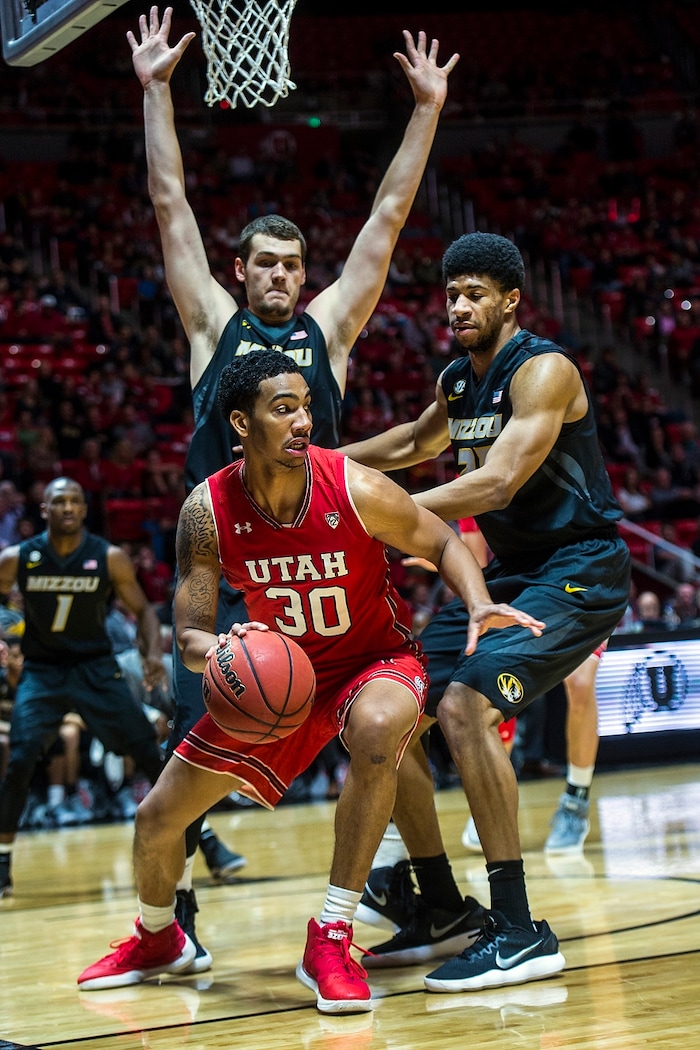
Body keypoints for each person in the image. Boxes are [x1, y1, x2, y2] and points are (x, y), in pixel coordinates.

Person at [127, 5, 459, 969]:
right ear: (240, 272)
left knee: (388, 735)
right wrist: (155, 90)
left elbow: (387, 219)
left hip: (313, 565)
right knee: (190, 740)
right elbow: (170, 206)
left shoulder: (329, 335)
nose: (280, 276)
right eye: (264, 264)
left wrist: (426, 111)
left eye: (292, 264)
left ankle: (426, 898)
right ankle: (172, 924)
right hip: (222, 566)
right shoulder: (210, 327)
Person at [75, 351, 545, 1012]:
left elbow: (440, 538)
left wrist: (475, 600)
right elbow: (188, 633)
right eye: (282, 408)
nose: (303, 421)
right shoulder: (206, 511)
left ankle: (330, 933)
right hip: (282, 678)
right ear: (241, 422)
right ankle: (160, 938)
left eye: (304, 404)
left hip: (375, 661)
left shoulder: (353, 485)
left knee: (380, 727)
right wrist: (221, 652)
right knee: (155, 821)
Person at [342, 232, 631, 991]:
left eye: (475, 293)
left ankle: (518, 929)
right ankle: (441, 908)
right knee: (387, 705)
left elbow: (497, 482)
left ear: (510, 299)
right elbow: (413, 439)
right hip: (510, 573)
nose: (460, 306)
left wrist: (376, 517)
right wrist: (327, 465)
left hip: (580, 569)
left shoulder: (544, 371)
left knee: (465, 707)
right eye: (452, 295)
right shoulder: (457, 381)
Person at [0, 478, 167, 899]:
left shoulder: (108, 558)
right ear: (45, 510)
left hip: (95, 668)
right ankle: (2, 861)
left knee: (148, 749)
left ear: (84, 509)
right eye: (59, 501)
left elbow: (144, 611)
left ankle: (205, 843)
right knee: (19, 759)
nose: (68, 507)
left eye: (75, 501)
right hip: (42, 670)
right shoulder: (17, 558)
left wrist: (149, 654)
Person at [462, 645, 607, 855]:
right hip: (524, 613)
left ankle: (576, 803)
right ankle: (492, 798)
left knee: (580, 682)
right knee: (502, 673)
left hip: (581, 612)